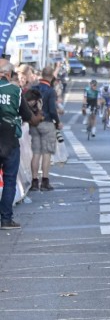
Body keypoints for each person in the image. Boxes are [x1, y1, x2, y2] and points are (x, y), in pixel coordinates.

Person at [0, 62, 35, 229]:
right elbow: (27, 115)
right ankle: (6, 219)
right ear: (8, 74)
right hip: (10, 139)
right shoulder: (15, 91)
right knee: (9, 179)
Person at [30, 66, 60, 192]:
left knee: (36, 153)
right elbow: (52, 110)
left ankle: (34, 181)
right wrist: (57, 122)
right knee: (46, 153)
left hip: (34, 123)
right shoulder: (50, 91)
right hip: (47, 123)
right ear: (52, 76)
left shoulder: (33, 88)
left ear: (42, 74)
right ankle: (45, 181)